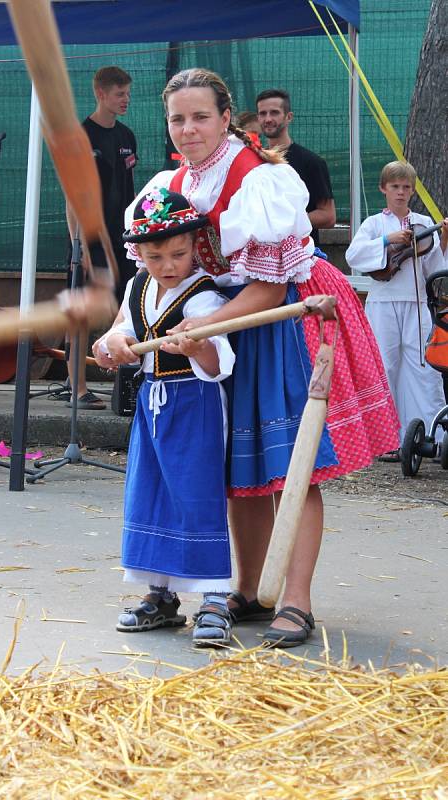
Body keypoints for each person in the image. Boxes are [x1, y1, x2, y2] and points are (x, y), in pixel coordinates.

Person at [97, 67, 399, 648]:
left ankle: (296, 600)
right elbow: (151, 285)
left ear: (225, 117)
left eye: (200, 117)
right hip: (218, 327)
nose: (188, 130)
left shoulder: (258, 180)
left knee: (292, 464)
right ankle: (250, 587)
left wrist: (201, 325)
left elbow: (266, 286)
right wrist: (134, 331)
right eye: (177, 119)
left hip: (282, 318)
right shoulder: (172, 185)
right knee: (239, 465)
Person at [100, 188, 236, 647]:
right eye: (155, 256)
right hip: (152, 405)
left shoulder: (202, 295)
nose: (168, 265)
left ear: (195, 244)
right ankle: (160, 596)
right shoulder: (138, 287)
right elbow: (117, 336)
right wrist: (110, 347)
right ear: (138, 252)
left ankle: (215, 597)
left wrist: (199, 345)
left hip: (195, 404)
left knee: (196, 494)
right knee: (151, 494)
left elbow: (219, 363)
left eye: (178, 253)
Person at [346, 161, 448, 459]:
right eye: (395, 187)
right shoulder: (374, 224)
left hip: (416, 303)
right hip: (384, 301)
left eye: (406, 187)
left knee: (420, 367)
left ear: (412, 190)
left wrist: (443, 239)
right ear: (383, 189)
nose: (401, 193)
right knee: (384, 365)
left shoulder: (422, 221)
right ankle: (382, 438)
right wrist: (386, 240)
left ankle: (428, 435)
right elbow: (355, 254)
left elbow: (435, 268)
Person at [65, 66, 138, 409]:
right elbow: (73, 198)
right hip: (90, 238)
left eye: (127, 93)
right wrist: (77, 245)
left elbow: (129, 190)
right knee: (80, 311)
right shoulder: (81, 136)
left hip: (121, 236)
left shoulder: (126, 136)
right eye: (119, 94)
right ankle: (76, 387)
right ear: (101, 94)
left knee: (123, 306)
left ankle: (122, 384)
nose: (125, 100)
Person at [256, 88, 336, 247]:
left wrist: (283, 223)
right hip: (261, 260)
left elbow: (328, 216)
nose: (268, 118)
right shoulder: (254, 160)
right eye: (263, 113)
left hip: (302, 258)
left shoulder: (311, 162)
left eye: (274, 113)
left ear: (288, 117)